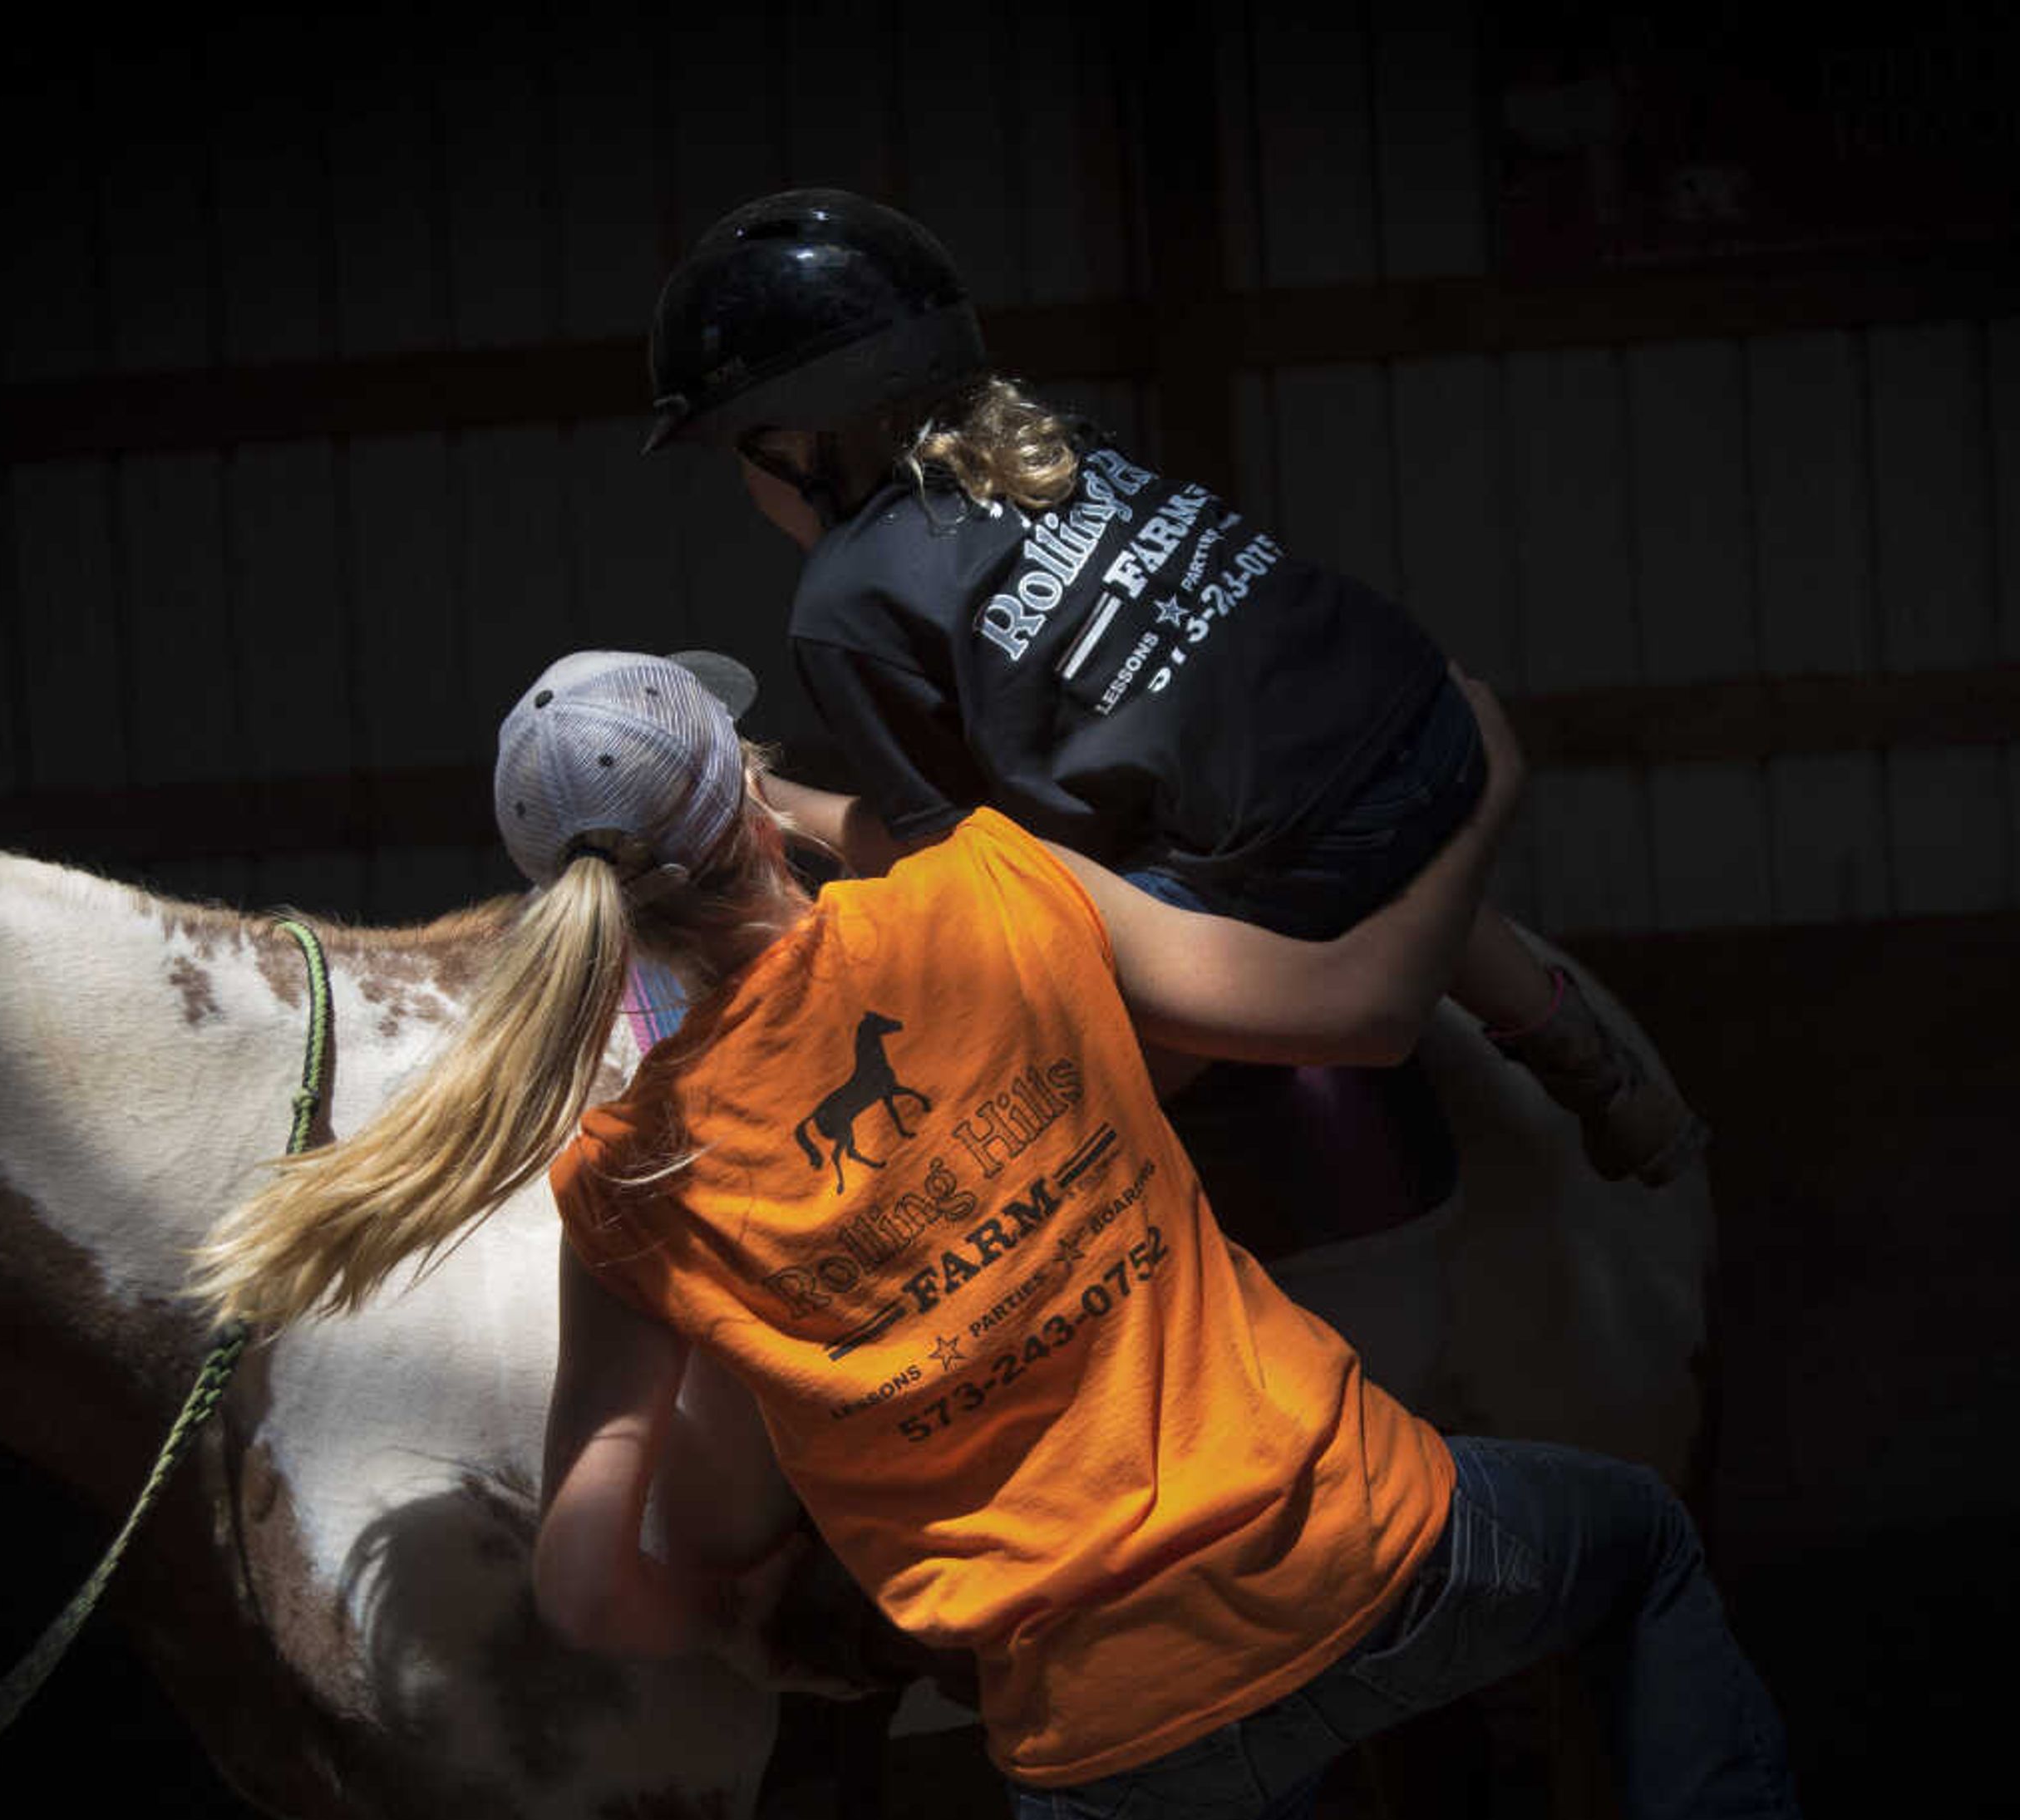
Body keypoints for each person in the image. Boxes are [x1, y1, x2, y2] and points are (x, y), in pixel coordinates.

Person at [191, 650, 1818, 1820]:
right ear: (754, 797)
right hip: (1365, 1554)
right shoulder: (996, 891)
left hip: (1113, 1742)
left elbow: (591, 1587)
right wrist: (1486, 793)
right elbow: (1354, 1008)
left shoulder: (630, 1178)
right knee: (1642, 1555)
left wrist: (725, 1535)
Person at [641, 185, 1705, 1186]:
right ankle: (1594, 1066)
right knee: (1312, 794)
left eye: (745, 453)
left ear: (801, 441)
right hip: (1427, 727)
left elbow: (971, 872)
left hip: (1299, 859)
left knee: (1026, 1114)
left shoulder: (844, 599)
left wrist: (778, 803)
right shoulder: (1053, 450)